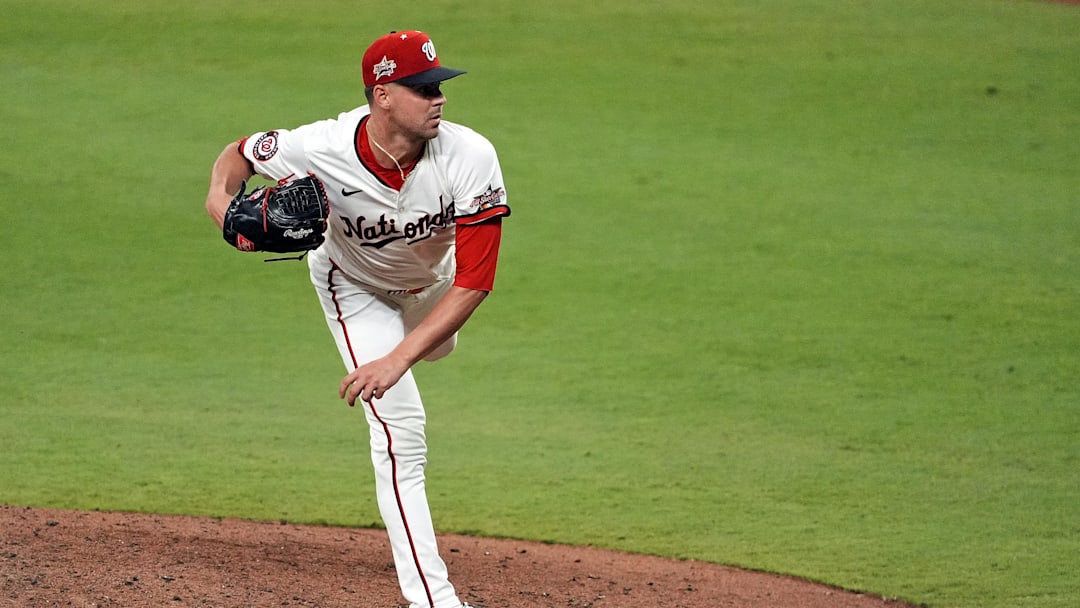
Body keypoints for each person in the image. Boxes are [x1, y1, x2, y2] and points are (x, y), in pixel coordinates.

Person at [204, 30, 510, 608]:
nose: (438, 98)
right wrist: (227, 216)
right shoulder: (319, 146)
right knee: (401, 431)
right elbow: (236, 157)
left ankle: (418, 344)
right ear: (382, 95)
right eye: (422, 88)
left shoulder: (471, 155)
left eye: (439, 85)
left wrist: (399, 357)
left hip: (438, 288)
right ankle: (435, 601)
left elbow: (475, 281)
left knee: (433, 348)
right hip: (355, 287)